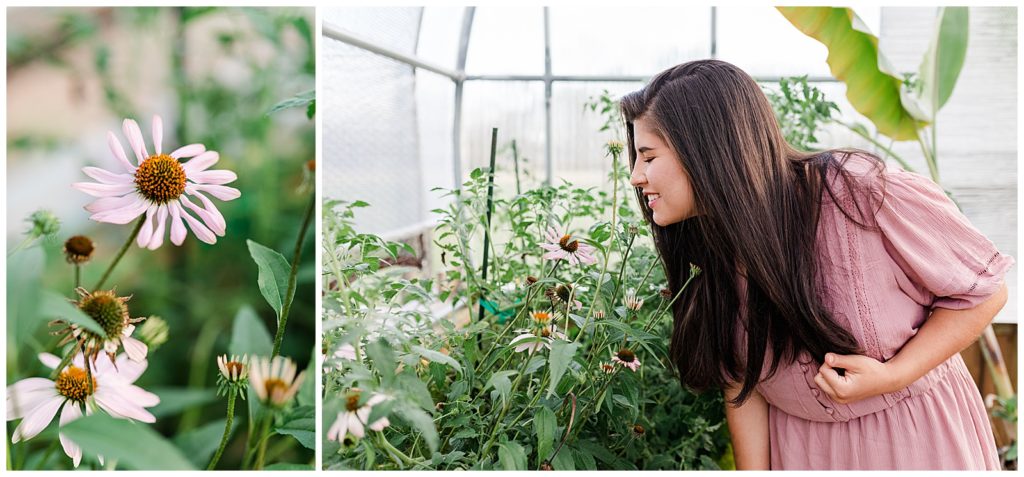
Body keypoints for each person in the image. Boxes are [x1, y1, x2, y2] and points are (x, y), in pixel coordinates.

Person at [620, 59, 1013, 470]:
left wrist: (894, 374)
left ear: (705, 151)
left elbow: (984, 291)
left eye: (648, 157)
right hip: (804, 453)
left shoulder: (858, 193)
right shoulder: (705, 245)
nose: (635, 177)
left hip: (917, 441)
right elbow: (744, 383)